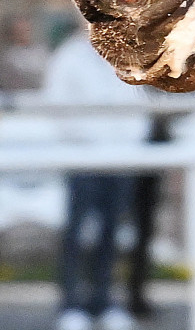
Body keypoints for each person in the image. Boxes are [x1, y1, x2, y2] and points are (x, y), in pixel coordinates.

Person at [42, 24, 149, 330]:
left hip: (119, 158)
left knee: (113, 233)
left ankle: (104, 300)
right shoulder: (68, 58)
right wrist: (92, 140)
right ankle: (71, 303)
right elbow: (57, 108)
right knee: (76, 233)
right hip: (82, 158)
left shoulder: (128, 55)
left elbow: (138, 104)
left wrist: (128, 144)